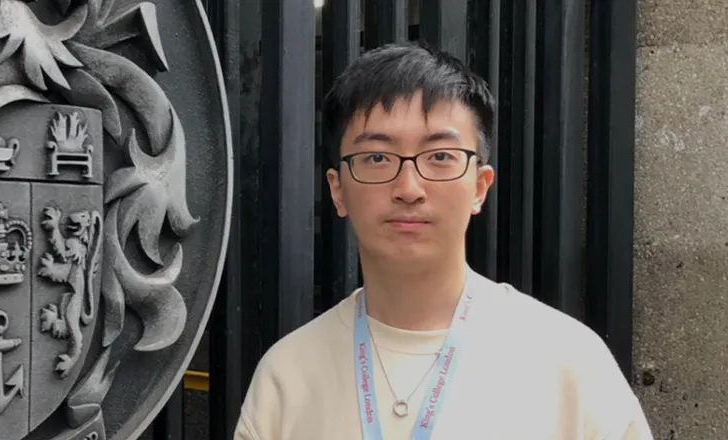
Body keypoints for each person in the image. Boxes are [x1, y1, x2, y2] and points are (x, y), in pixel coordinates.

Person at [233, 42, 654, 440]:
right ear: (338, 189)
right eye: (377, 157)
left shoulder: (569, 363)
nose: (409, 187)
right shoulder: (287, 376)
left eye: (440, 157)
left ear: (479, 187)